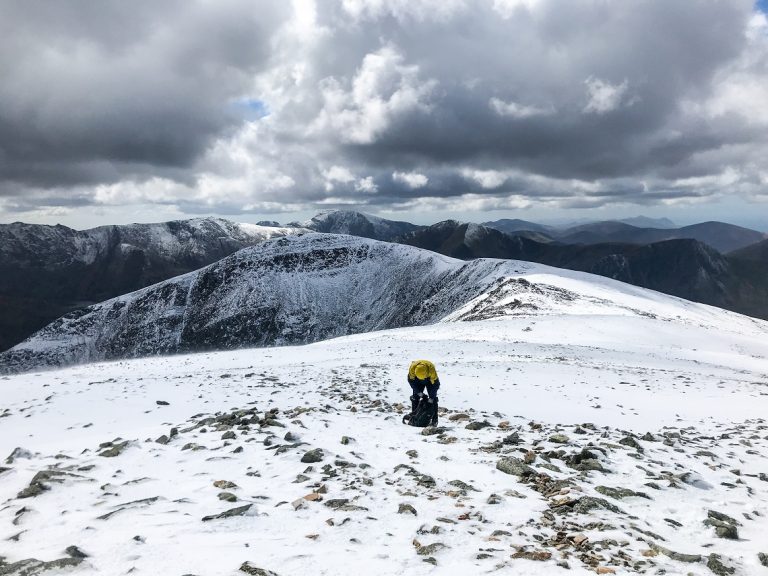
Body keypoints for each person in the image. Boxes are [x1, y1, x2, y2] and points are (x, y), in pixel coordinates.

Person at [407, 359, 440, 425]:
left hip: (429, 380)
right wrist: (419, 392)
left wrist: (431, 397)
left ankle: (434, 420)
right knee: (415, 398)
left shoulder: (431, 370)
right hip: (416, 380)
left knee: (433, 400)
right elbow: (411, 382)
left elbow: (435, 385)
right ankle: (414, 418)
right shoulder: (412, 369)